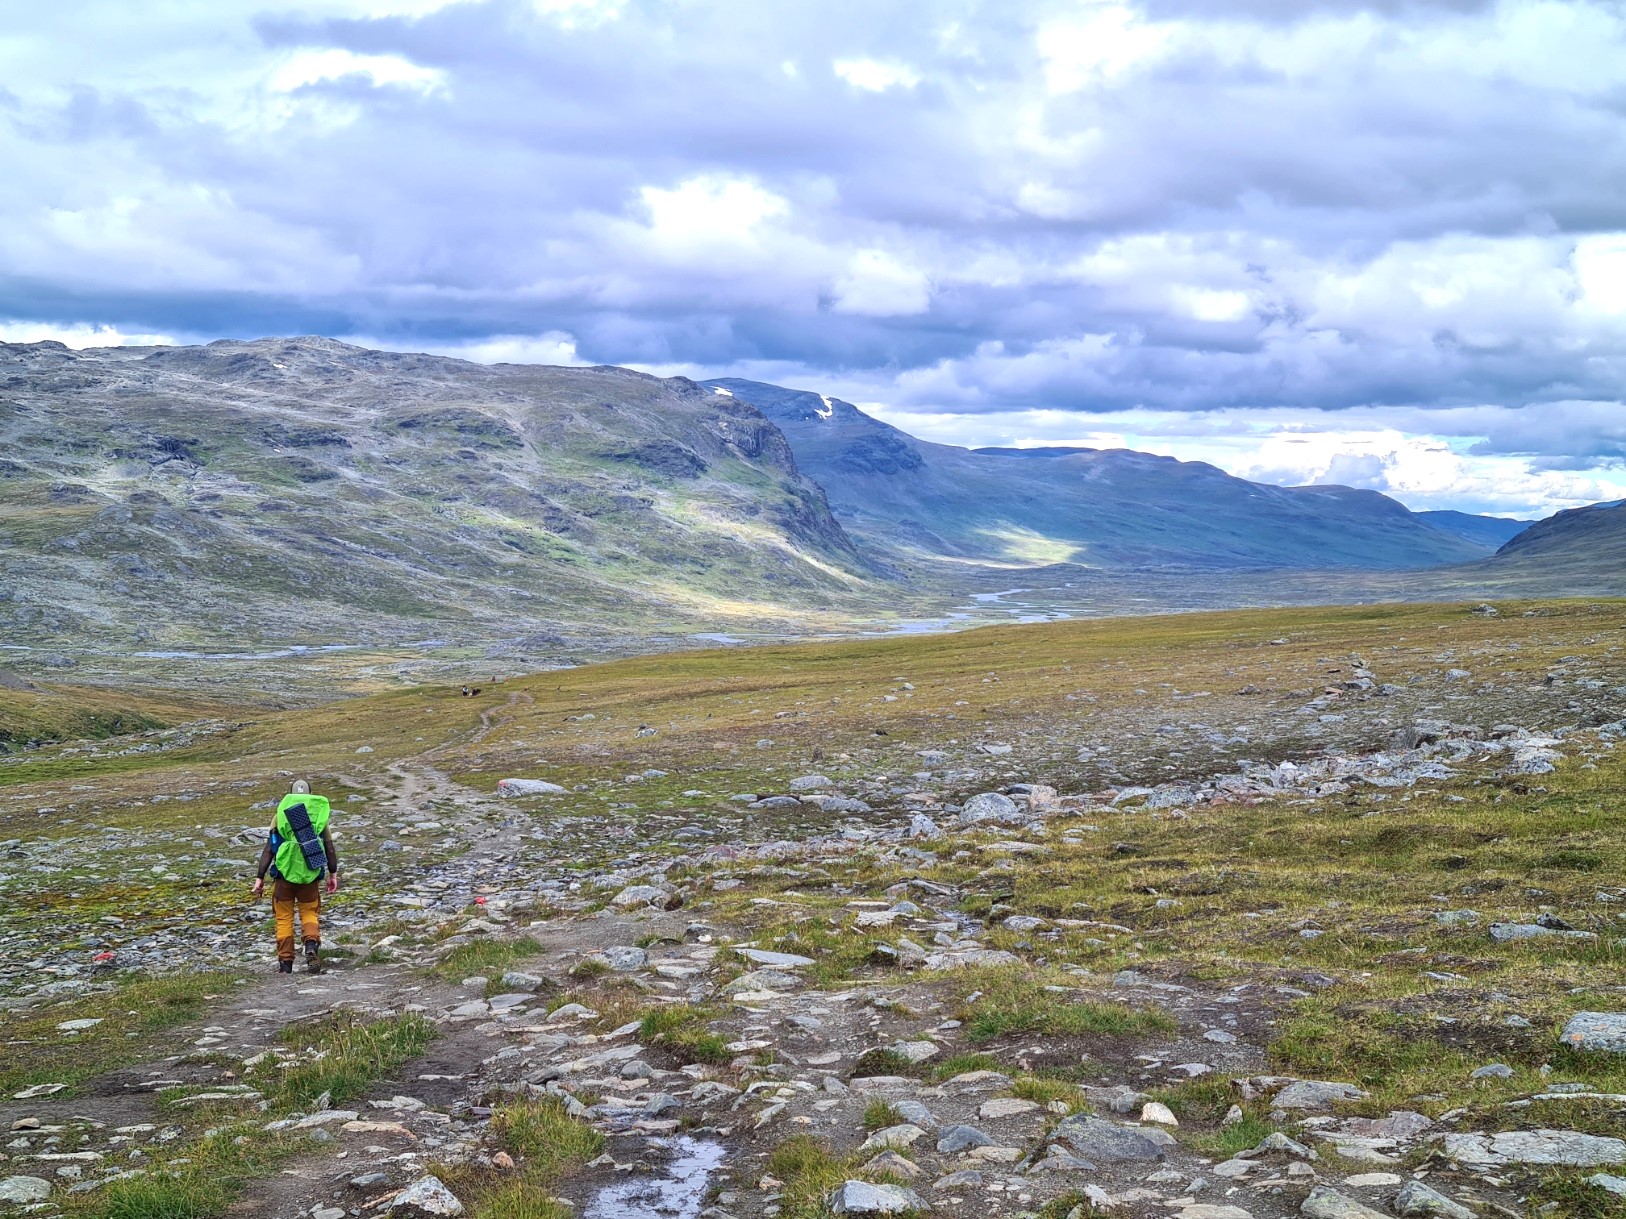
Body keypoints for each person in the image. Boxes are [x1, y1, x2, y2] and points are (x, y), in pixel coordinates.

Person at [252, 780, 341, 974]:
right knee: (309, 912)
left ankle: (285, 965)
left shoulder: (280, 815)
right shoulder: (319, 817)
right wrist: (332, 874)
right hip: (310, 873)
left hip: (284, 875)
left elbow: (269, 849)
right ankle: (310, 944)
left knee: (284, 918)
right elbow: (329, 848)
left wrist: (260, 877)